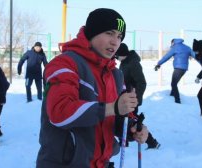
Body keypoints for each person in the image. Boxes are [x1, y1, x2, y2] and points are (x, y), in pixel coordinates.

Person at [36, 8, 148, 168]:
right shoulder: (64, 64)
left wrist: (132, 127)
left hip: (102, 163)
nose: (115, 42)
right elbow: (59, 112)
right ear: (93, 33)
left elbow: (114, 117)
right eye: (109, 33)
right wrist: (112, 107)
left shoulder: (115, 75)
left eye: (119, 36)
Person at [116, 43, 160, 149]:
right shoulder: (124, 62)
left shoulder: (133, 63)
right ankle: (124, 141)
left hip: (131, 99)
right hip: (124, 97)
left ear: (122, 54)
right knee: (122, 119)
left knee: (134, 124)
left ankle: (152, 142)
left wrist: (136, 98)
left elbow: (141, 82)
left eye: (117, 55)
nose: (116, 58)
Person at [154, 38, 195, 104]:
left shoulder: (175, 48)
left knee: (173, 84)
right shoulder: (187, 47)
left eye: (171, 43)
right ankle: (172, 95)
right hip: (184, 69)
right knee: (174, 83)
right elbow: (196, 56)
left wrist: (159, 63)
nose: (171, 44)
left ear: (173, 42)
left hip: (178, 68)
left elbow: (166, 57)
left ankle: (177, 100)